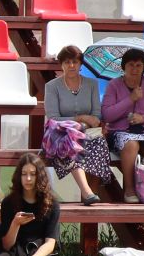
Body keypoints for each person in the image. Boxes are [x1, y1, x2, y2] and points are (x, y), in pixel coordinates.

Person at [42, 45, 114, 205]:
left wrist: (87, 123)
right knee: (70, 138)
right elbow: (53, 118)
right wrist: (80, 119)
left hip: (88, 131)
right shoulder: (52, 87)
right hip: (58, 133)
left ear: (81, 64)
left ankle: (92, 192)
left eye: (75, 62)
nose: (71, 65)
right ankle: (86, 191)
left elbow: (96, 116)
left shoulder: (91, 84)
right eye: (67, 62)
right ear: (61, 64)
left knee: (99, 141)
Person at [102, 52, 144, 200]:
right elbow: (107, 115)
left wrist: (143, 118)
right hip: (120, 131)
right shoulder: (114, 84)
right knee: (131, 145)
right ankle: (130, 190)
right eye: (131, 65)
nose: (134, 69)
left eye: (139, 65)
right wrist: (130, 99)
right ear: (124, 66)